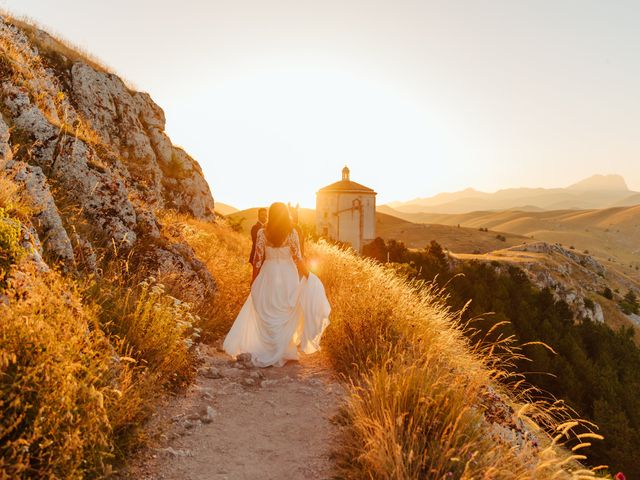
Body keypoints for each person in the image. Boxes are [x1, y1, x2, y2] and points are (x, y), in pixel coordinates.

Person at [223, 202, 330, 367]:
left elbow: (258, 260)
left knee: (268, 309)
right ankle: (284, 350)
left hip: (268, 274)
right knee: (286, 310)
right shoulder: (292, 232)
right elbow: (298, 258)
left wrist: (254, 281)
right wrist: (308, 275)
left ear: (271, 215)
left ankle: (270, 348)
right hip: (288, 275)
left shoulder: (262, 233)